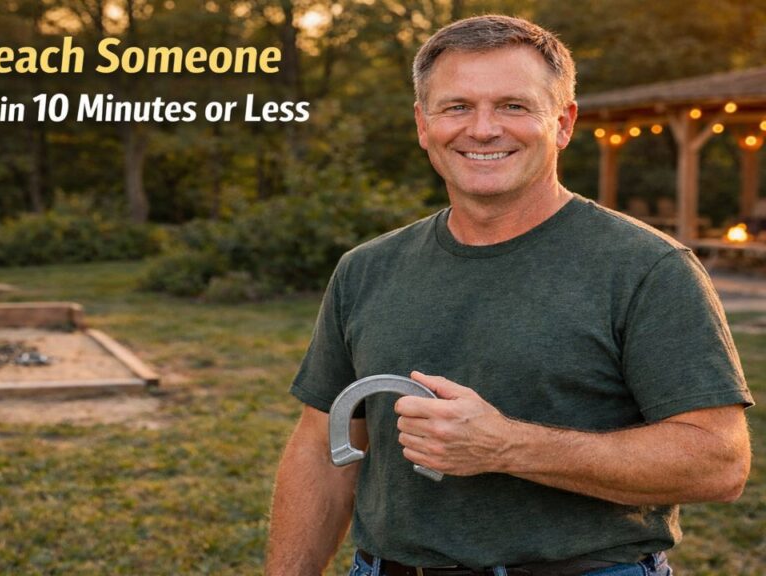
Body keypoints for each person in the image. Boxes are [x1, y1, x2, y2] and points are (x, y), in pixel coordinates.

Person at [265, 15, 753, 576]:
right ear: (424, 125)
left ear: (564, 123)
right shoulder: (366, 269)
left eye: (513, 106)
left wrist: (505, 447)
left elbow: (717, 464)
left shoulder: (648, 268)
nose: (482, 129)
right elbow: (323, 449)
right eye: (457, 107)